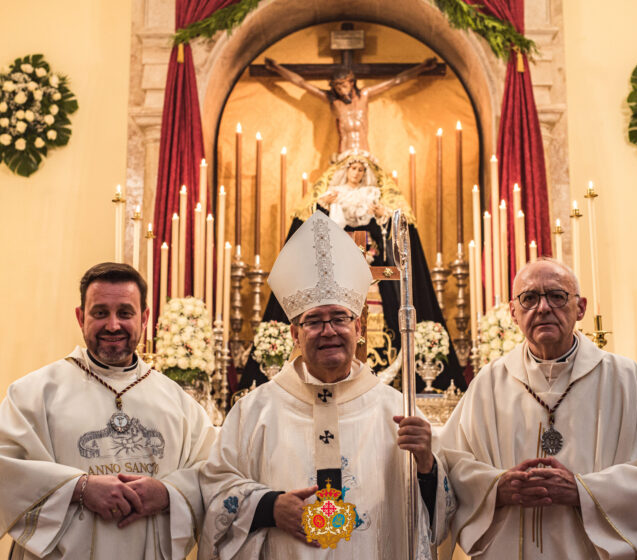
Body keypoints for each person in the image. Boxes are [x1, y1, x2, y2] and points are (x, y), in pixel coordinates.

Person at [199, 212, 455, 559]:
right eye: (314, 321)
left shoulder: (396, 410)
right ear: (294, 334)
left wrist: (426, 463)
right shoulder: (255, 410)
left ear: (359, 328)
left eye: (339, 318)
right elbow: (215, 490)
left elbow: (440, 519)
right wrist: (269, 507)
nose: (329, 330)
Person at [439, 258, 637, 559]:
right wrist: (495, 489)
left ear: (580, 307)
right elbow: (450, 467)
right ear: (513, 313)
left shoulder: (628, 382)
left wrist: (583, 491)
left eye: (556, 296)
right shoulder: (488, 385)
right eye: (529, 298)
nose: (543, 307)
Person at [0, 263, 217, 559]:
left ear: (145, 318)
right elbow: (1, 469)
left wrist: (168, 494)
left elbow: (212, 473)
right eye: (100, 313)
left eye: (125, 313)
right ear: (80, 317)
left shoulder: (179, 403)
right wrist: (80, 488)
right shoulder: (35, 394)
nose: (113, 325)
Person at [239, 152, 466, 391]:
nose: (356, 174)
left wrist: (381, 217)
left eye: (361, 170)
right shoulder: (331, 198)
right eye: (353, 169)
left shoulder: (372, 198)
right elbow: (313, 231)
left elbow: (392, 238)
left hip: (374, 283)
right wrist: (325, 207)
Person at [265, 57, 437, 154]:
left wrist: (422, 68)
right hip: (343, 155)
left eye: (344, 85)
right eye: (337, 87)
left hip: (364, 154)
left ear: (352, 82)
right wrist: (277, 69)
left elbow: (395, 81)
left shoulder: (364, 95)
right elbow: (302, 83)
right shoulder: (333, 100)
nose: (341, 90)